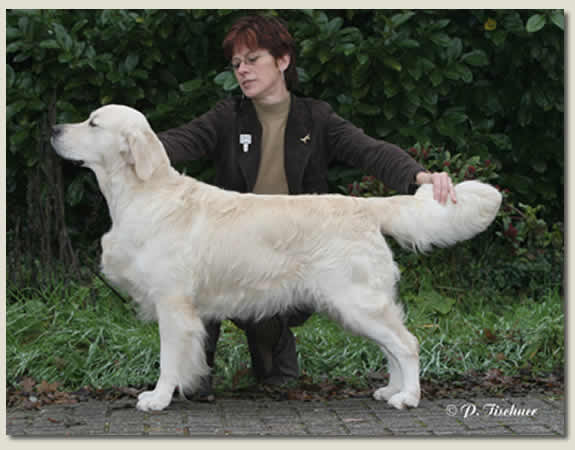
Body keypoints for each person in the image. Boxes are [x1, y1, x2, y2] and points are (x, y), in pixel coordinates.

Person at [157, 14, 456, 400]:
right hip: (234, 250)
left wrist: (419, 177)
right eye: (236, 64)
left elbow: (369, 151)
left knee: (283, 367)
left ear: (282, 61)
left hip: (299, 250)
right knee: (193, 269)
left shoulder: (316, 118)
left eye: (253, 59)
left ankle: (275, 348)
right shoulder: (227, 117)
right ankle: (193, 374)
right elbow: (179, 141)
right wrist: (129, 145)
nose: (242, 70)